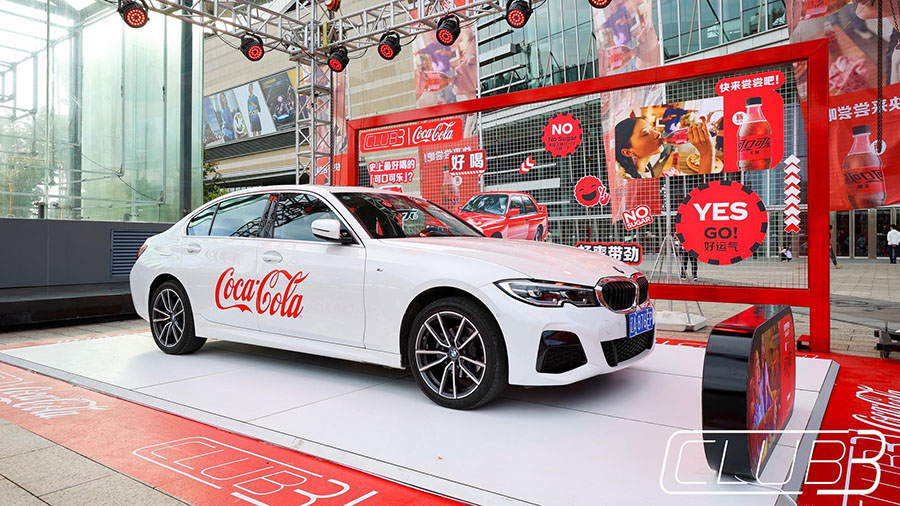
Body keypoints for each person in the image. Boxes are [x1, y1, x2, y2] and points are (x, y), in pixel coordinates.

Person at [614, 116, 713, 179]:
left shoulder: (646, 168)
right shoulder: (627, 179)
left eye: (653, 128)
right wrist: (707, 153)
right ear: (628, 152)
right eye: (646, 133)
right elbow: (700, 195)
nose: (657, 133)